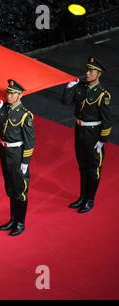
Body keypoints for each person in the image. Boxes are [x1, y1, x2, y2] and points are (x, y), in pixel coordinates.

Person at [61, 56, 113, 213]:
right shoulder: (81, 87)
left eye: (91, 71)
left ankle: (90, 200)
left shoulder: (103, 95)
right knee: (82, 166)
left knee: (93, 168)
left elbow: (108, 121)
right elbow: (65, 102)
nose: (87, 73)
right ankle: (82, 197)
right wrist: (70, 87)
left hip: (93, 133)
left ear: (99, 74)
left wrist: (102, 139)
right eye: (87, 70)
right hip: (80, 131)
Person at [0, 79, 35, 236]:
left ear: (20, 95)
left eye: (12, 93)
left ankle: (20, 223)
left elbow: (30, 140)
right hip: (4, 151)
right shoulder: (4, 109)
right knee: (10, 188)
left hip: (17, 153)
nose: (9, 95)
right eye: (8, 92)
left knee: (20, 189)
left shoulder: (25, 115)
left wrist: (25, 162)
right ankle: (13, 219)